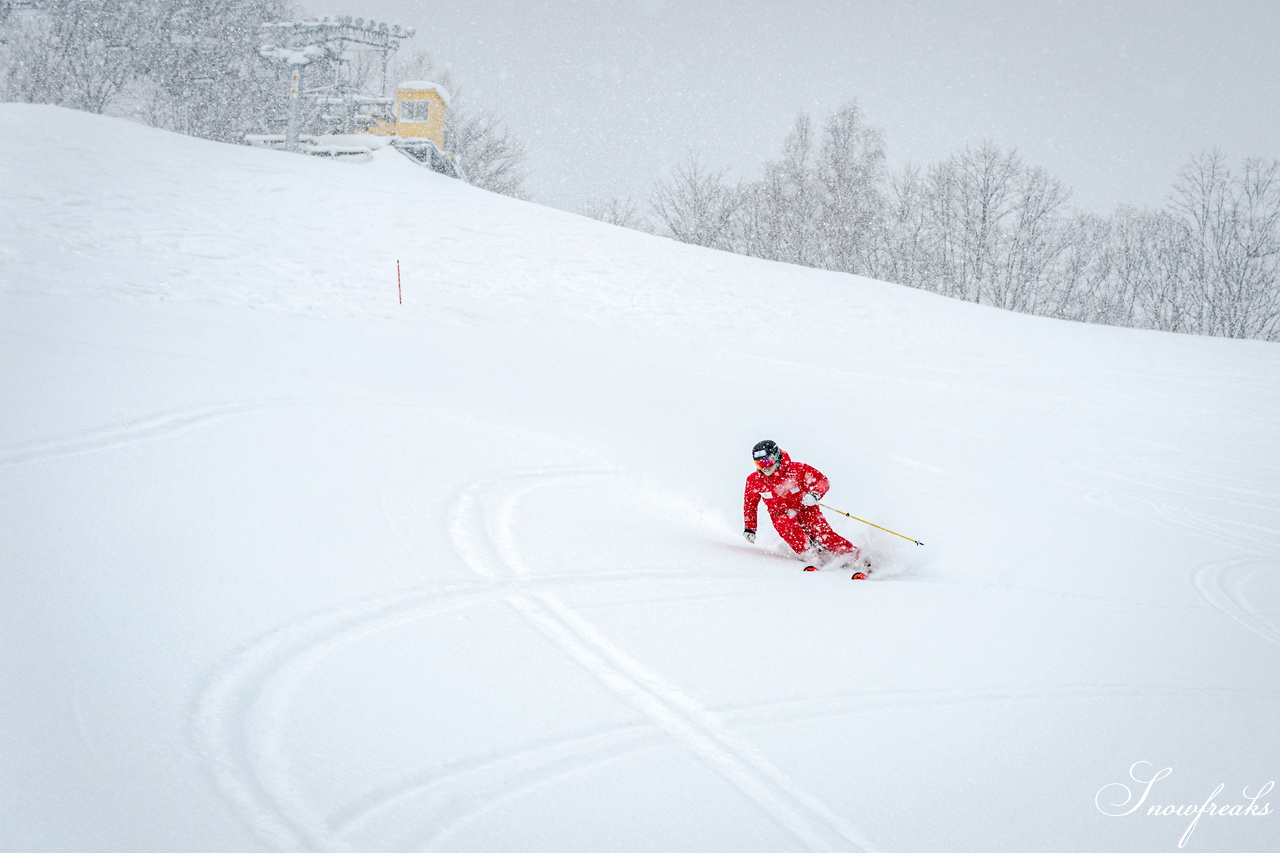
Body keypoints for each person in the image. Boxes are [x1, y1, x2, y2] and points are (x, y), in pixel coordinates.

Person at [743, 439, 863, 572]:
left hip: (807, 511)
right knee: (783, 522)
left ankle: (855, 556)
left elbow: (822, 481)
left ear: (776, 457)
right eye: (759, 464)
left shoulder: (797, 470)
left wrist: (815, 494)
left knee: (822, 535)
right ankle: (811, 555)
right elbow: (750, 504)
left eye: (767, 461)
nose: (764, 467)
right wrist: (750, 528)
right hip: (781, 516)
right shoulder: (755, 480)